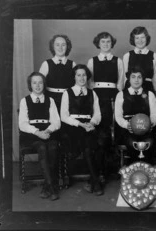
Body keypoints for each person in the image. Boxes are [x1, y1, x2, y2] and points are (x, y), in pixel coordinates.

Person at [60, 64, 103, 196]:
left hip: (88, 126)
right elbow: (64, 116)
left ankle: (93, 181)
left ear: (87, 77)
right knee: (87, 144)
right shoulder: (67, 93)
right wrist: (80, 124)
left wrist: (91, 123)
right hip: (72, 127)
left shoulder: (92, 93)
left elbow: (97, 114)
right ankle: (95, 182)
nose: (81, 78)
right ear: (74, 77)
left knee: (99, 142)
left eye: (84, 75)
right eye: (78, 75)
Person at [87, 32, 124, 180]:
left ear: (112, 43)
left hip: (113, 94)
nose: (106, 44)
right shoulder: (92, 60)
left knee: (114, 128)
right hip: (98, 95)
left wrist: (119, 98)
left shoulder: (118, 61)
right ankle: (101, 168)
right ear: (98, 43)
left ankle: (114, 165)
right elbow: (89, 83)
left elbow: (121, 82)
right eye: (103, 42)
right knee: (101, 129)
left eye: (108, 41)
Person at [19, 72, 61, 201]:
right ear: (30, 85)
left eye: (40, 82)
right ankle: (51, 187)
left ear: (44, 84)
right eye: (34, 83)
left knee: (53, 147)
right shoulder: (25, 101)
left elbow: (56, 122)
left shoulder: (50, 100)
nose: (37, 85)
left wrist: (47, 131)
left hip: (48, 132)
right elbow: (22, 123)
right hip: (31, 135)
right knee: (42, 147)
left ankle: (46, 186)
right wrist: (37, 132)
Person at [115, 65, 156, 165]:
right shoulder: (121, 95)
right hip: (128, 129)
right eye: (133, 77)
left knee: (150, 142)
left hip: (147, 129)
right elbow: (118, 116)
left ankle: (148, 171)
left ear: (143, 79)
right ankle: (133, 171)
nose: (136, 80)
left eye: (139, 77)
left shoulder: (149, 94)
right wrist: (127, 125)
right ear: (129, 79)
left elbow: (155, 114)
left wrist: (149, 124)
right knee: (132, 143)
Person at [39, 34, 76, 112]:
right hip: (50, 100)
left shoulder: (72, 64)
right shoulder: (46, 64)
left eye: (63, 45)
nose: (60, 48)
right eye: (57, 45)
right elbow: (39, 85)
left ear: (67, 47)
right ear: (53, 47)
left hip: (68, 100)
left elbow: (76, 86)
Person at [122, 26, 156, 93]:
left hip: (148, 89)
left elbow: (155, 78)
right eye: (137, 38)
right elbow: (124, 78)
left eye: (142, 37)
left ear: (147, 38)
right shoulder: (127, 56)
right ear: (133, 39)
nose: (140, 41)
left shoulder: (154, 56)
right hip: (130, 89)